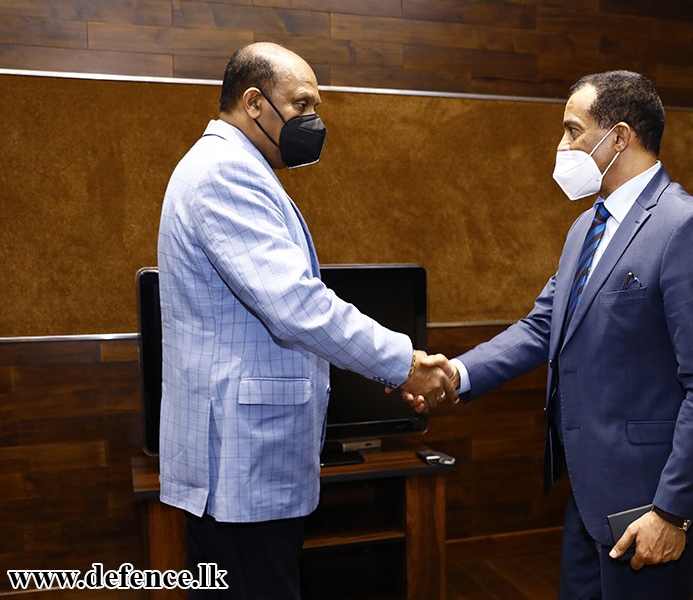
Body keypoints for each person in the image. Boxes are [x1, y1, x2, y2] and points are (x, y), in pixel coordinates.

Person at [409, 71, 693, 599]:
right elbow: (544, 325)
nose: (561, 146)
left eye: (572, 130)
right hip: (587, 492)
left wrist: (671, 513)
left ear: (619, 137)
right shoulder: (584, 227)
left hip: (651, 504)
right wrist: (456, 372)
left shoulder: (688, 228)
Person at [157, 42, 455, 599]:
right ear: (253, 103)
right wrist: (404, 363)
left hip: (246, 464)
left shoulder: (232, 167)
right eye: (300, 105)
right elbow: (297, 306)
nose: (312, 121)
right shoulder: (224, 173)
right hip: (240, 468)